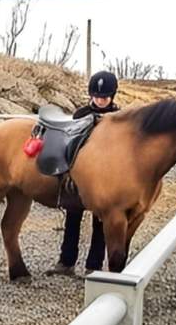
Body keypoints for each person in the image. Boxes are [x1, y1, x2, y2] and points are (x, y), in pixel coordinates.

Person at [46, 70, 121, 277]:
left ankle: (93, 266)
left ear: (112, 95)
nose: (100, 100)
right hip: (79, 177)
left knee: (100, 224)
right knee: (72, 218)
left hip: (106, 178)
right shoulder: (81, 114)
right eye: (96, 96)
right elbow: (69, 145)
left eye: (104, 97)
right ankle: (66, 262)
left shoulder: (118, 118)